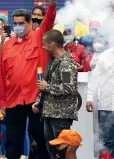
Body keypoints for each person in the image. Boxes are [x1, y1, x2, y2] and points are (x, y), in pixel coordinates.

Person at [0, 0, 56, 159]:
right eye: (15, 24)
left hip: (36, 99)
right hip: (13, 99)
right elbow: (2, 75)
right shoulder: (7, 45)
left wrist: (52, 0)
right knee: (13, 140)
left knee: (41, 137)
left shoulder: (40, 37)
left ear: (30, 23)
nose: (17, 26)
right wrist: (2, 102)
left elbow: (50, 19)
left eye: (21, 23)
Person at [32, 30, 79, 159]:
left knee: (64, 151)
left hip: (61, 115)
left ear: (53, 44)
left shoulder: (66, 63)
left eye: (44, 44)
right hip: (49, 112)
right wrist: (38, 101)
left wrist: (47, 87)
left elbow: (68, 87)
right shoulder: (53, 61)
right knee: (52, 151)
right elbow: (46, 85)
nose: (42, 46)